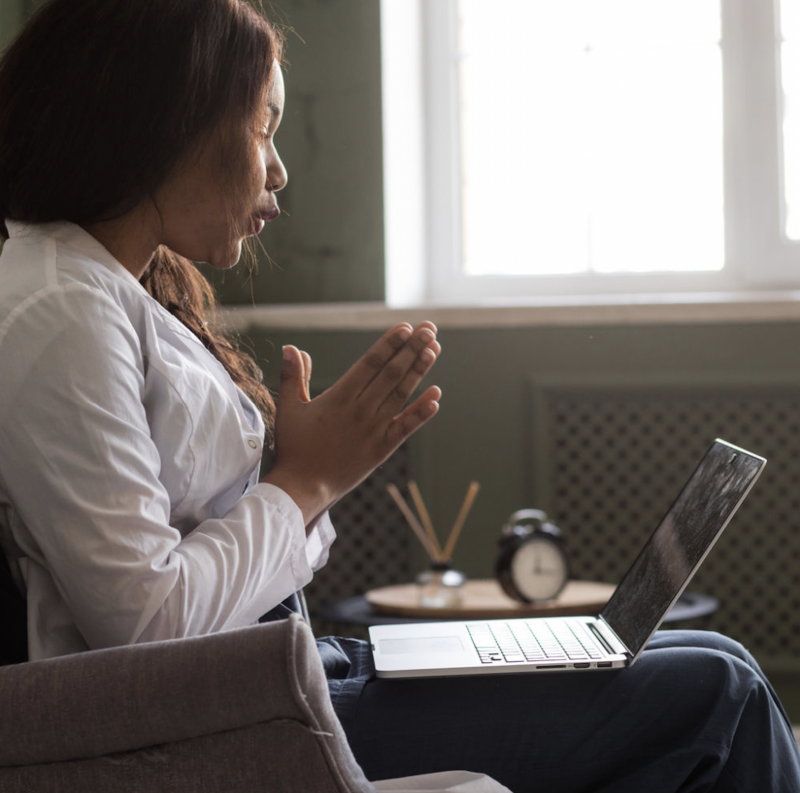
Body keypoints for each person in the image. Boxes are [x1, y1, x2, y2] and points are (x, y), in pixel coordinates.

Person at [0, 2, 798, 791]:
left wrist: (297, 482)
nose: (278, 169)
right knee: (720, 699)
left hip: (277, 676)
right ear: (166, 121)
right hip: (196, 728)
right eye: (262, 127)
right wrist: (305, 481)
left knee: (722, 659)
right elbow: (145, 627)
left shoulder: (109, 291)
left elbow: (222, 551)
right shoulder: (59, 307)